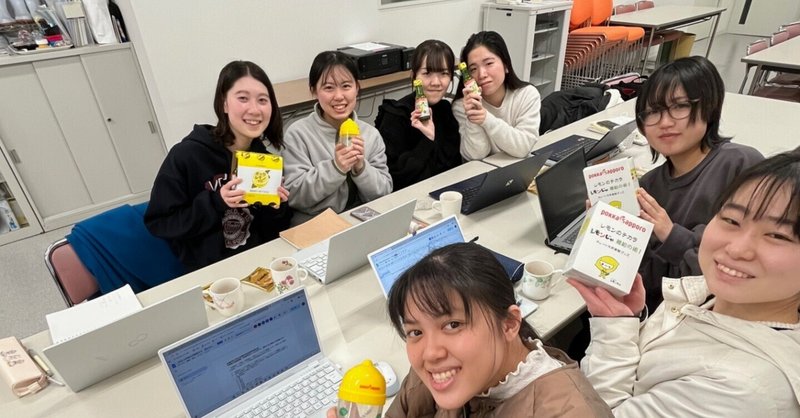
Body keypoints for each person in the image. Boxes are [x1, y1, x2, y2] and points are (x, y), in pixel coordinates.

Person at [570, 149, 800, 416]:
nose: (737, 249)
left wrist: (612, 332)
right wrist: (625, 320)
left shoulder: (742, 390)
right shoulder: (711, 296)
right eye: (731, 219)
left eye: (778, 236)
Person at [383, 243, 612, 417]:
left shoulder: (572, 411)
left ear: (509, 324)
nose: (431, 353)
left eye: (453, 325)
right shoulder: (437, 370)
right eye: (416, 332)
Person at [634, 56, 763, 311]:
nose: (665, 122)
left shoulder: (740, 166)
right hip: (656, 314)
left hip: (718, 315)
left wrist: (669, 234)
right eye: (653, 112)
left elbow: (743, 265)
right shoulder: (648, 185)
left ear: (709, 107)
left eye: (680, 106)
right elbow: (646, 276)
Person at [145, 61, 292, 272]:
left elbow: (271, 232)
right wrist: (216, 202)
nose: (254, 109)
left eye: (262, 100)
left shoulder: (266, 161)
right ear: (224, 104)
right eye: (243, 98)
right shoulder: (188, 155)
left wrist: (277, 208)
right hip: (208, 273)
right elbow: (160, 223)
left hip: (258, 264)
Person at [283, 51, 392, 224]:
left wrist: (361, 168)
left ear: (357, 88)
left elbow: (384, 192)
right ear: (314, 91)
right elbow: (295, 197)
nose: (339, 96)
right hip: (314, 223)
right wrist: (336, 168)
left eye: (346, 86)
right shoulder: (298, 134)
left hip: (361, 218)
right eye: (328, 88)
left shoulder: (370, 134)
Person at [374, 39, 462, 190]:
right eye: (427, 73)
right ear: (414, 76)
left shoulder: (445, 110)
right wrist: (427, 140)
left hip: (446, 192)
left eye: (444, 73)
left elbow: (454, 166)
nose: (436, 82)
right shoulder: (395, 115)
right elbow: (395, 179)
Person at [452, 31, 541, 161]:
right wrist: (474, 117)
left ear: (506, 65)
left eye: (489, 63)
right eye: (473, 69)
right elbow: (476, 156)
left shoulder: (526, 95)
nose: (482, 74)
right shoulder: (462, 105)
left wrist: (486, 119)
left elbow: (523, 147)